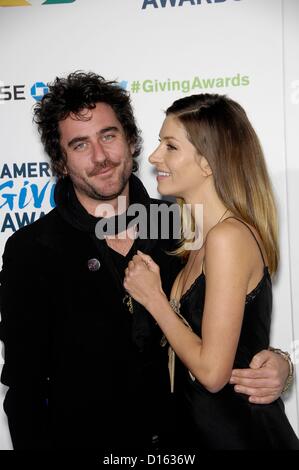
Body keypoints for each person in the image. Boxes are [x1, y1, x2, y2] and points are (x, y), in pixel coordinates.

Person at [0, 73, 291, 451]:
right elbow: (24, 388)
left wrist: (280, 366)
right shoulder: (32, 249)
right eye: (80, 145)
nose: (100, 156)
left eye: (108, 136)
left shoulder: (184, 225)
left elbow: (230, 327)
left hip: (189, 443)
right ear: (60, 160)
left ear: (131, 140)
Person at [124, 93, 299, 450]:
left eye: (170, 146)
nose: (155, 156)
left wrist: (155, 299)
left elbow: (213, 373)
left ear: (208, 162)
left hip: (240, 437)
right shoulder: (195, 239)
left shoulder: (228, 238)